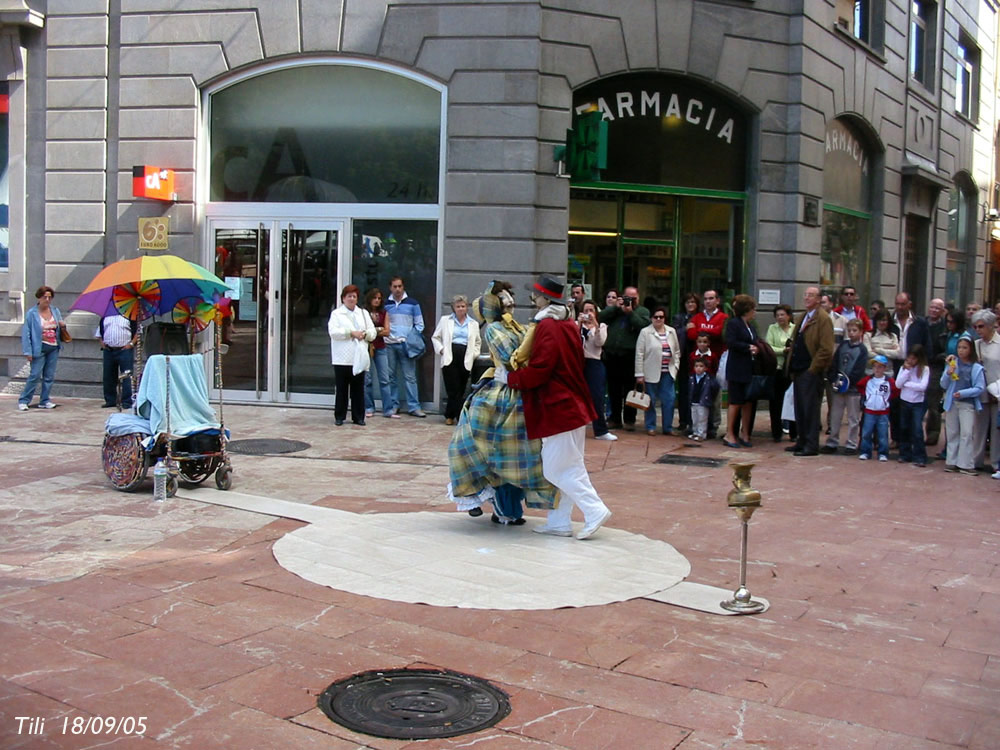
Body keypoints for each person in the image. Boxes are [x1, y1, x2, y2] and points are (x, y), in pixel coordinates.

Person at [505, 275, 613, 540]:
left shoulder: (548, 326)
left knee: (555, 469)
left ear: (543, 298)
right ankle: (559, 522)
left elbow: (541, 370)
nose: (532, 299)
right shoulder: (565, 323)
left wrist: (510, 378)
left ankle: (594, 509)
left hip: (559, 408)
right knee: (570, 467)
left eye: (535, 295)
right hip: (572, 407)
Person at [447, 281, 557, 524]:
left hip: (519, 392)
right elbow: (511, 359)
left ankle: (507, 507)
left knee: (518, 454)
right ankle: (500, 505)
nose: (510, 301)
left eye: (509, 296)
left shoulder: (515, 326)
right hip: (502, 396)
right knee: (499, 451)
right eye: (504, 298)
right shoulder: (494, 329)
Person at [786, 286, 834, 456]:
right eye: (805, 295)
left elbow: (826, 349)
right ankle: (802, 440)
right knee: (800, 408)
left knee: (810, 409)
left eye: (811, 295)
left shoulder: (823, 319)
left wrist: (813, 369)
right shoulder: (803, 316)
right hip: (798, 369)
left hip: (810, 371)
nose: (806, 298)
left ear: (819, 299)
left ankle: (811, 444)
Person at [598, 284, 650, 431]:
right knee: (614, 389)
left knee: (629, 389)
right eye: (627, 298)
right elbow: (600, 317)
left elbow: (643, 325)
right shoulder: (615, 311)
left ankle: (629, 419)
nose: (630, 301)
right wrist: (616, 307)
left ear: (638, 298)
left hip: (630, 356)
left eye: (633, 298)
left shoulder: (642, 311)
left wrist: (630, 312)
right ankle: (615, 418)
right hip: (613, 355)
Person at [328, 284, 376, 426]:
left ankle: (358, 416)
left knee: (358, 388)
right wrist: (350, 333)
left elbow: (372, 332)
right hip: (342, 358)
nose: (351, 299)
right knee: (342, 388)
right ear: (343, 298)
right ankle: (339, 416)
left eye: (354, 296)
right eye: (349, 296)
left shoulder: (363, 313)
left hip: (359, 357)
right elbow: (333, 332)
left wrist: (364, 334)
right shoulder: (337, 314)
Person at [432, 295, 481, 425]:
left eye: (463, 306)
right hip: (450, 355)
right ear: (453, 308)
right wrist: (441, 350)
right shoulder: (445, 320)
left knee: (461, 387)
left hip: (465, 356)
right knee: (452, 387)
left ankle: (450, 414)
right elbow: (435, 337)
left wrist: (473, 354)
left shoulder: (473, 324)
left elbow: (477, 342)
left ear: (467, 307)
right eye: (458, 306)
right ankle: (459, 416)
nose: (460, 309)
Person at [822, 318, 868, 454]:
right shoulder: (843, 346)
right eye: (849, 331)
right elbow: (835, 362)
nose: (852, 333)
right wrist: (833, 378)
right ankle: (832, 441)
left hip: (853, 389)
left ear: (861, 332)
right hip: (838, 386)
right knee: (836, 416)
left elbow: (859, 369)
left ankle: (851, 444)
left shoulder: (862, 350)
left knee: (853, 418)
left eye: (855, 331)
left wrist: (849, 382)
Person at [18, 286, 67, 411]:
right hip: (38, 348)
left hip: (53, 347)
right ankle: (24, 400)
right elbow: (26, 333)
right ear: (39, 297)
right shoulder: (32, 313)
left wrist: (62, 326)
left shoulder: (55, 311)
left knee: (49, 376)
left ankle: (44, 400)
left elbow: (59, 326)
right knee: (34, 375)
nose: (47, 299)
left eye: (49, 297)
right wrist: (28, 351)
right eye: (44, 297)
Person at [941, 335, 985, 475]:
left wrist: (964, 393)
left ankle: (965, 463)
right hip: (952, 403)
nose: (961, 351)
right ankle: (952, 461)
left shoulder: (976, 367)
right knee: (952, 432)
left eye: (965, 348)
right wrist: (948, 373)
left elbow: (979, 387)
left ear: (971, 349)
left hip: (967, 404)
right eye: (959, 347)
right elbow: (943, 384)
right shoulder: (953, 364)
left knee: (966, 433)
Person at [383, 276, 426, 417]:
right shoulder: (386, 304)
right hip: (389, 344)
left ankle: (414, 407)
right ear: (390, 288)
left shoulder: (413, 304)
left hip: (406, 345)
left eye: (399, 286)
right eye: (394, 286)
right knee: (391, 377)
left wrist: (410, 339)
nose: (397, 289)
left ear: (403, 287)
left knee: (410, 377)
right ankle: (394, 406)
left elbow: (419, 324)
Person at [688, 289, 728, 438]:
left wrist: (701, 330)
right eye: (705, 299)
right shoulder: (697, 316)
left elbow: (720, 333)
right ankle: (697, 428)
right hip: (698, 367)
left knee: (715, 399)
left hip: (714, 365)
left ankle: (713, 427)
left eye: (711, 298)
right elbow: (691, 334)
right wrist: (709, 330)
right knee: (697, 400)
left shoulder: (723, 317)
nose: (708, 301)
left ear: (717, 300)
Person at [635, 306, 680, 436]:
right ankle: (650, 426)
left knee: (669, 400)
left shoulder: (671, 331)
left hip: (668, 372)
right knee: (651, 401)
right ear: (651, 318)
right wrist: (639, 374)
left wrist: (675, 367)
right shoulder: (645, 332)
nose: (659, 319)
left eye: (661, 317)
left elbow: (676, 352)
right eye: (656, 317)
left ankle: (668, 427)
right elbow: (639, 354)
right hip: (650, 372)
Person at [577, 299, 615, 441]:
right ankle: (576, 427)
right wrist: (580, 324)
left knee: (597, 396)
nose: (588, 314)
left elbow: (600, 342)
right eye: (585, 311)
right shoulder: (577, 325)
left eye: (591, 311)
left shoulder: (602, 326)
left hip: (594, 362)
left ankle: (600, 430)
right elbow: (574, 341)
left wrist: (595, 324)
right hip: (579, 363)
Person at [971, 310, 1000, 471]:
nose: (978, 330)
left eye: (981, 326)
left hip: (997, 393)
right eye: (975, 326)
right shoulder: (975, 345)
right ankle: (976, 461)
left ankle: (996, 463)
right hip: (980, 392)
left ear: (990, 326)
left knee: (997, 431)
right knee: (979, 428)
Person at [857, 354, 899, 462]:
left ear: (884, 368)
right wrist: (868, 399)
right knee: (866, 432)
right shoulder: (868, 380)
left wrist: (885, 401)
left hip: (883, 412)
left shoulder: (889, 381)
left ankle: (883, 453)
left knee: (883, 433)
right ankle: (865, 451)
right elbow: (859, 386)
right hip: (869, 410)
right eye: (875, 366)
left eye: (880, 367)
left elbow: (896, 391)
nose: (877, 369)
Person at [766, 303, 796, 443]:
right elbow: (768, 346)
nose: (780, 317)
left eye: (782, 314)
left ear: (788, 316)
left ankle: (794, 432)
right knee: (776, 402)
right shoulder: (772, 328)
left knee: (792, 401)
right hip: (777, 368)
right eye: (777, 315)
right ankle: (776, 432)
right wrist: (782, 351)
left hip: (791, 370)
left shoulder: (795, 329)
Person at [363, 288, 395, 418]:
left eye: (379, 298)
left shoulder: (384, 312)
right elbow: (363, 330)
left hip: (381, 347)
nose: (377, 300)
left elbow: (387, 331)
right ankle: (369, 407)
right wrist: (378, 330)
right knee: (367, 379)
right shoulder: (363, 313)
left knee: (384, 379)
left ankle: (388, 409)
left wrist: (373, 331)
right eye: (374, 298)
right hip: (366, 347)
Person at [896, 344, 929, 466]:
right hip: (905, 401)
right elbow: (898, 384)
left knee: (917, 429)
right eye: (909, 358)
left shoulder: (925, 369)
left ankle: (919, 456)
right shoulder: (904, 368)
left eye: (914, 359)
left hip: (918, 403)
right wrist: (906, 372)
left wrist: (907, 384)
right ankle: (905, 454)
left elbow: (922, 387)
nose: (911, 361)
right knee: (904, 428)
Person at [96, 313, 139, 409]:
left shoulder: (130, 316)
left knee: (127, 377)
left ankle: (127, 402)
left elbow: (138, 331)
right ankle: (110, 400)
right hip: (109, 351)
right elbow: (99, 333)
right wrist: (103, 344)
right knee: (108, 376)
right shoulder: (105, 316)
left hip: (125, 350)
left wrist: (131, 344)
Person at [672, 292, 700, 435]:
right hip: (683, 358)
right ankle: (683, 421)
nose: (690, 305)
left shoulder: (700, 317)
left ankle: (695, 422)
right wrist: (686, 329)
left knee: (696, 391)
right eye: (688, 302)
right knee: (683, 390)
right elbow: (673, 333)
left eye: (693, 302)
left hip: (697, 358)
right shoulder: (679, 318)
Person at [925, 297, 948, 446]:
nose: (934, 310)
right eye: (932, 307)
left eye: (937, 308)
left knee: (933, 402)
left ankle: (933, 433)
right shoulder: (921, 323)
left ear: (942, 311)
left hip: (936, 367)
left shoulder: (945, 327)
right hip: (921, 364)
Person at [688, 357, 718, 441]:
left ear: (706, 368)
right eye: (696, 366)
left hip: (703, 402)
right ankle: (695, 432)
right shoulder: (691, 378)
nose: (698, 368)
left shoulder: (709, 379)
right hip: (694, 401)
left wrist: (709, 398)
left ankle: (702, 434)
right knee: (694, 418)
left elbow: (714, 388)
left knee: (702, 418)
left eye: (701, 366)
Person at [864, 310, 901, 374]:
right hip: (870, 372)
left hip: (888, 373)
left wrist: (878, 350)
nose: (881, 323)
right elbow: (868, 353)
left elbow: (897, 354)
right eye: (879, 320)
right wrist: (889, 353)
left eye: (884, 320)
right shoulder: (868, 335)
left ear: (888, 322)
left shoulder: (893, 336)